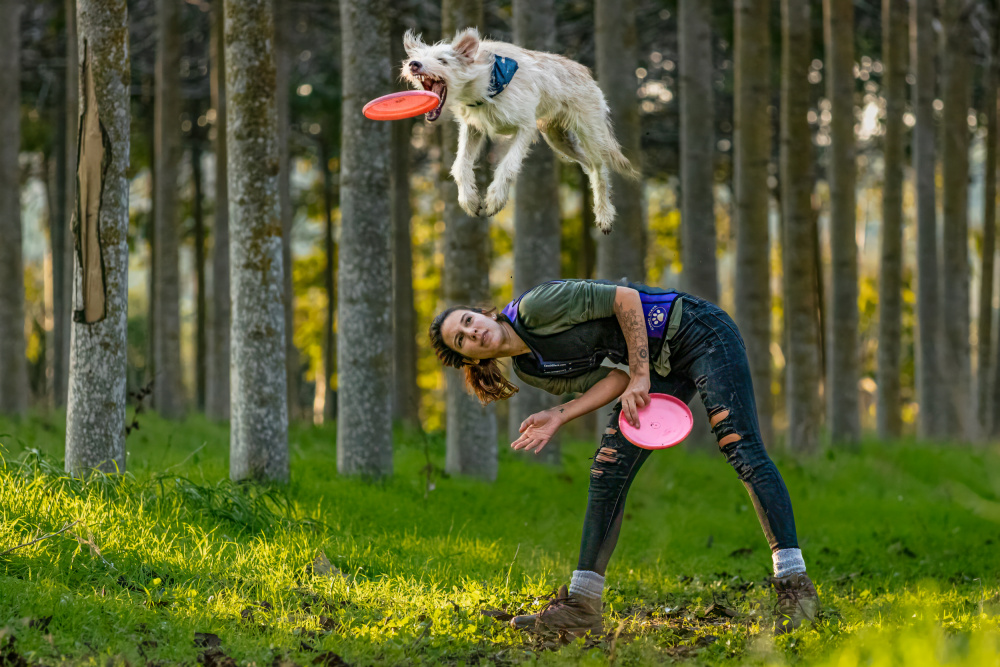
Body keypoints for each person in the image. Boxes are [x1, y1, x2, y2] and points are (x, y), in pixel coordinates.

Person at [429, 279, 820, 636]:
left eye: (467, 321)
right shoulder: (530, 367)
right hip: (653, 366)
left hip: (699, 332)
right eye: (461, 340)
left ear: (481, 312)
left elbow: (624, 298)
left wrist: (640, 374)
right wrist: (558, 415)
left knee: (739, 444)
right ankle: (582, 605)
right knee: (608, 470)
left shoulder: (536, 307)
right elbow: (612, 381)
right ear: (470, 361)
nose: (472, 332)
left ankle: (795, 589)